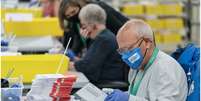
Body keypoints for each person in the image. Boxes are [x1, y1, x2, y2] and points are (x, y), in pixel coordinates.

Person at [104, 19, 188, 101]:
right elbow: (138, 95)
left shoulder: (166, 69)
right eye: (122, 51)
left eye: (130, 48)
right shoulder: (137, 67)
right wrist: (121, 95)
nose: (126, 56)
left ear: (147, 42)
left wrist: (128, 99)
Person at [69, 4, 125, 83]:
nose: (84, 29)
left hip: (107, 84)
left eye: (84, 26)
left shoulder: (104, 40)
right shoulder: (104, 36)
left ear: (92, 25)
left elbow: (87, 67)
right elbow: (90, 61)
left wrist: (65, 64)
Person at [58, 0, 129, 55]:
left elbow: (119, 29)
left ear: (79, 5)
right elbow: (78, 40)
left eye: (73, 12)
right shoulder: (75, 22)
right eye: (68, 16)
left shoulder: (97, 10)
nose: (72, 16)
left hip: (127, 42)